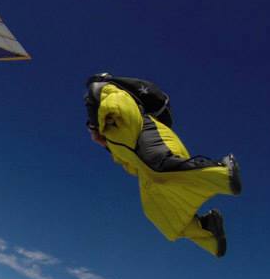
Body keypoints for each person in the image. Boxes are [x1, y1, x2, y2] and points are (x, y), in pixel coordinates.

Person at [84, 73, 241, 257]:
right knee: (157, 211)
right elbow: (130, 164)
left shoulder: (106, 91)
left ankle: (223, 172)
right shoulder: (113, 137)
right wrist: (105, 141)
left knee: (159, 166)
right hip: (141, 151)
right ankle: (208, 233)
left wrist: (98, 125)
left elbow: (113, 103)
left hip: (146, 133)